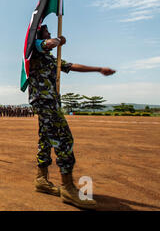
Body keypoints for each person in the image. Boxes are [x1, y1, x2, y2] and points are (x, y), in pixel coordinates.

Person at [29, 24, 115, 209]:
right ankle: (67, 187)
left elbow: (71, 66)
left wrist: (98, 69)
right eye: (47, 31)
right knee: (64, 139)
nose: (50, 33)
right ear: (39, 34)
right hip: (45, 101)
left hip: (50, 101)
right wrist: (60, 40)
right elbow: (49, 43)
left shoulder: (50, 58)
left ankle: (41, 179)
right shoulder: (35, 46)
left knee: (45, 140)